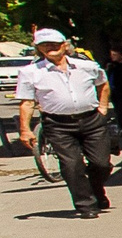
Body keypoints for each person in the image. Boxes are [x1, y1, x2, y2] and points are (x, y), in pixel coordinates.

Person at [15, 29, 115, 218]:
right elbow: (27, 102)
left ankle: (96, 190)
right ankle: (86, 205)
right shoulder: (30, 72)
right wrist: (25, 130)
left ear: (65, 45)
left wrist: (103, 108)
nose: (50, 48)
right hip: (58, 124)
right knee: (71, 165)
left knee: (102, 164)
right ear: (38, 49)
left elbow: (103, 84)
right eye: (45, 45)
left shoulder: (86, 66)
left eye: (54, 44)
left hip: (92, 120)